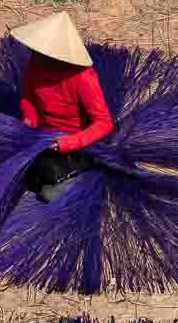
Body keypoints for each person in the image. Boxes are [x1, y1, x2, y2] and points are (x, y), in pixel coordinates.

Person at [9, 12, 114, 203]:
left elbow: (104, 123)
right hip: (42, 135)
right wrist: (29, 123)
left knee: (48, 192)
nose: (33, 53)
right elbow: (28, 98)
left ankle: (74, 177)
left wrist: (64, 143)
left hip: (72, 140)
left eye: (40, 51)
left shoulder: (83, 77)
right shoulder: (34, 65)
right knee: (13, 169)